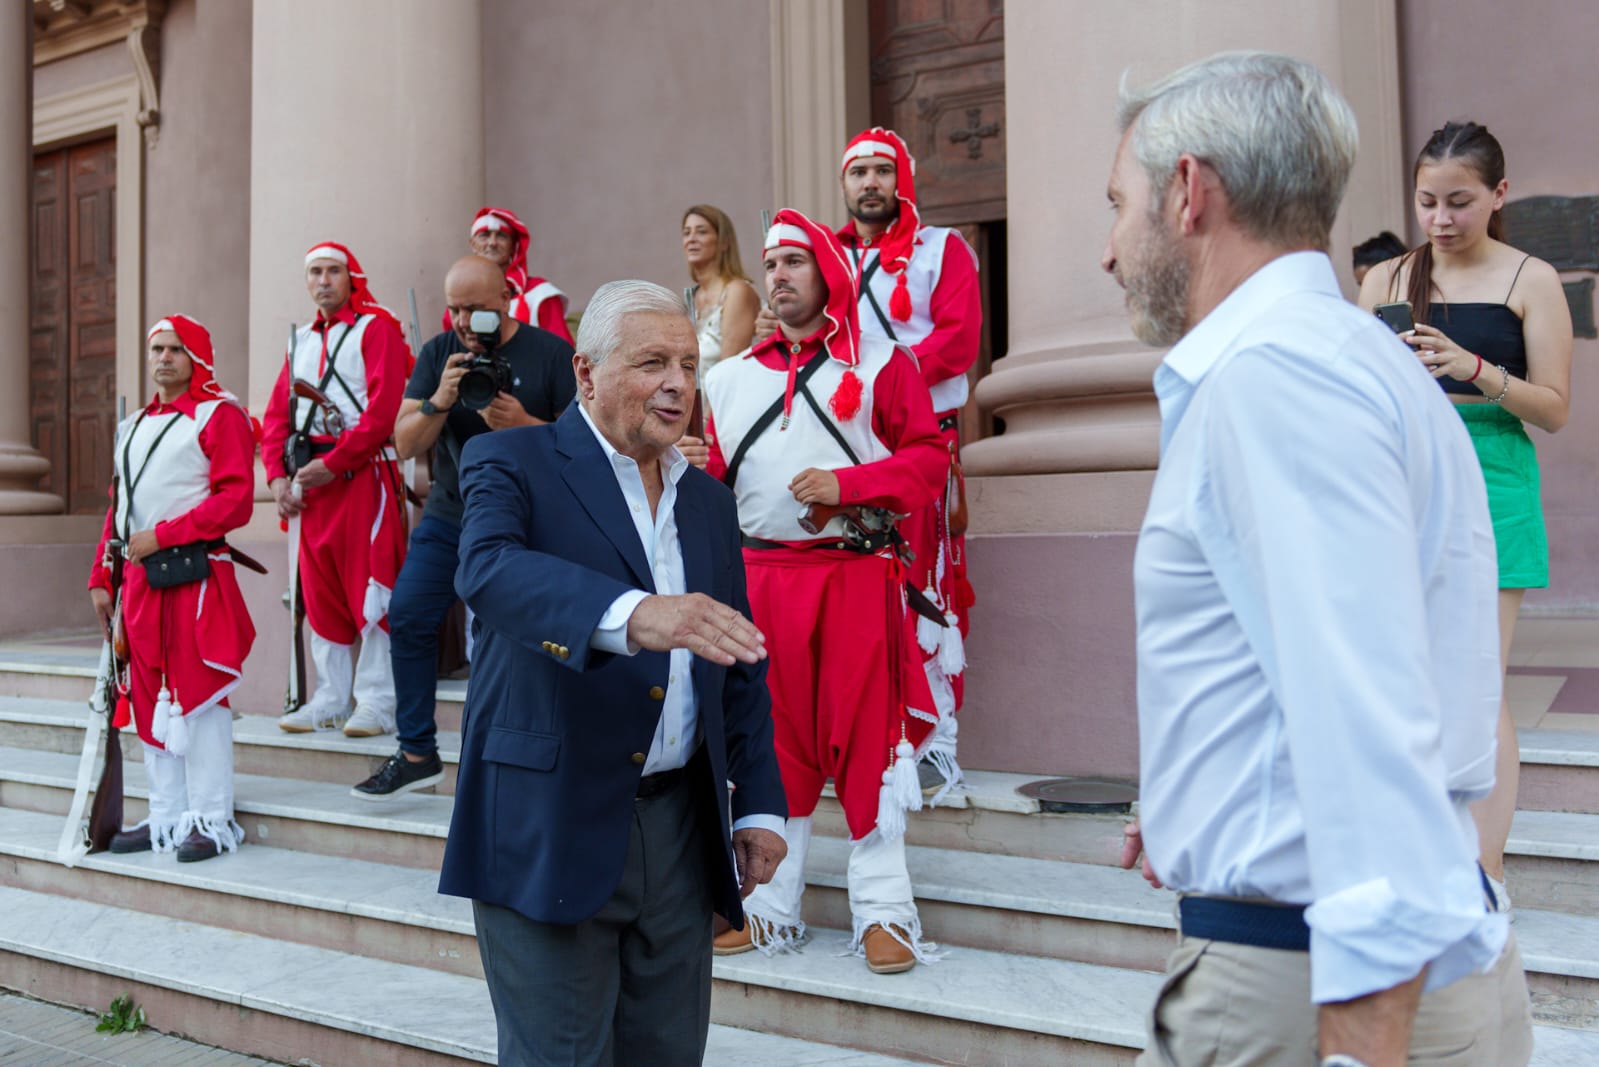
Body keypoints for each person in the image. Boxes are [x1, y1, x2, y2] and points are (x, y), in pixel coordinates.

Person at [1107, 53, 1530, 1066]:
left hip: (1308, 991)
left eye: (1116, 204)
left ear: (1187, 192)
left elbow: (1364, 714)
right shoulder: (1349, 357)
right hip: (1347, 963)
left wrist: (1358, 1044)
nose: (1110, 250)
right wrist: (1200, 787)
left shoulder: (1277, 377)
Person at [439, 279, 788, 1066]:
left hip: (678, 830)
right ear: (587, 372)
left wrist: (760, 801)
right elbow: (488, 573)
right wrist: (632, 613)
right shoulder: (509, 458)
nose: (677, 383)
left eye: (690, 365)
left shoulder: (706, 502)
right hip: (548, 818)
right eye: (653, 362)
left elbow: (735, 654)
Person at [702, 209, 948, 975]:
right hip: (759, 584)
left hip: (852, 577)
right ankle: (771, 908)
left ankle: (884, 910)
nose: (777, 276)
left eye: (795, 262)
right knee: (772, 746)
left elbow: (928, 460)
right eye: (770, 263)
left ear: (829, 273)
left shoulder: (881, 362)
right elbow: (714, 485)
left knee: (869, 743)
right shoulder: (727, 377)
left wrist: (849, 485)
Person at [1359, 121, 1573, 911]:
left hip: (1492, 479)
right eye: (1426, 202)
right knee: (1398, 674)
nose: (1441, 218)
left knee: (1475, 682)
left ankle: (1485, 873)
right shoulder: (1383, 279)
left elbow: (1552, 409)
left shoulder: (1530, 278)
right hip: (1401, 480)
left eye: (1459, 202)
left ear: (1497, 195)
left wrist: (1473, 369)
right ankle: (1409, 850)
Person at [352, 255, 576, 800]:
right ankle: (415, 753)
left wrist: (526, 425)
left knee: (524, 639)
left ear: (506, 298)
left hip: (532, 520)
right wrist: (439, 400)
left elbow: (586, 448)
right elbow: (406, 442)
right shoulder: (438, 353)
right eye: (452, 308)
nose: (460, 320)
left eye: (474, 309)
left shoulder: (550, 354)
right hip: (454, 512)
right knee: (406, 615)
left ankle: (534, 757)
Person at [89, 316, 256, 863]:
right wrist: (100, 574)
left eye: (176, 349)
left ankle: (210, 817)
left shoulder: (219, 415)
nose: (164, 358)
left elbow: (234, 500)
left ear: (198, 357)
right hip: (138, 583)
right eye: (157, 348)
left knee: (199, 694)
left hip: (194, 574)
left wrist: (162, 535)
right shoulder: (131, 425)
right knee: (147, 697)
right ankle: (165, 815)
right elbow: (120, 507)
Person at [261, 241, 411, 738]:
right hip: (312, 485)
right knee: (319, 594)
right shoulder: (298, 340)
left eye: (332, 271)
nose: (323, 280)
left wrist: (337, 462)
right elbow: (275, 418)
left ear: (351, 278)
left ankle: (376, 701)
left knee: (372, 590)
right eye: (315, 273)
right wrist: (277, 477)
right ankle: (330, 697)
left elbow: (383, 410)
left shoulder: (376, 328)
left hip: (362, 476)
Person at [447, 206, 573, 344]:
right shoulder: (459, 301)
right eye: (484, 235)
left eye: (501, 236)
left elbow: (561, 354)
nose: (492, 243)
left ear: (513, 245)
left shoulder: (540, 295)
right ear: (472, 244)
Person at [682, 204, 759, 377]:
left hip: (721, 400)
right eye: (687, 233)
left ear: (724, 242)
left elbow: (729, 371)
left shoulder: (736, 291)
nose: (691, 239)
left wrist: (709, 406)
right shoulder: (692, 297)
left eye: (701, 232)